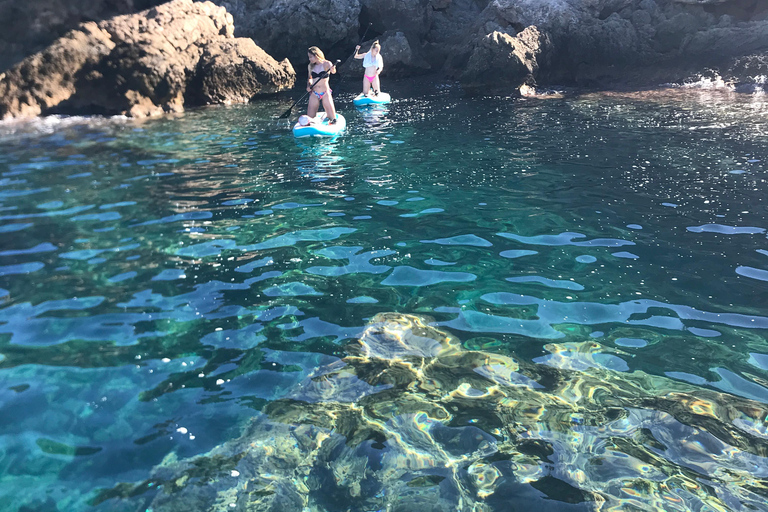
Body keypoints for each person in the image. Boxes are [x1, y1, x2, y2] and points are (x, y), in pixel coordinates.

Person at [306, 46, 338, 124]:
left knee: (332, 118)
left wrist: (333, 68)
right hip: (314, 93)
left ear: (316, 55)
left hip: (325, 92)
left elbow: (333, 71)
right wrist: (308, 85)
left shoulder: (326, 63)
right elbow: (309, 78)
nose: (309, 59)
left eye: (311, 57)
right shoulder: (310, 66)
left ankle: (329, 117)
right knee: (310, 119)